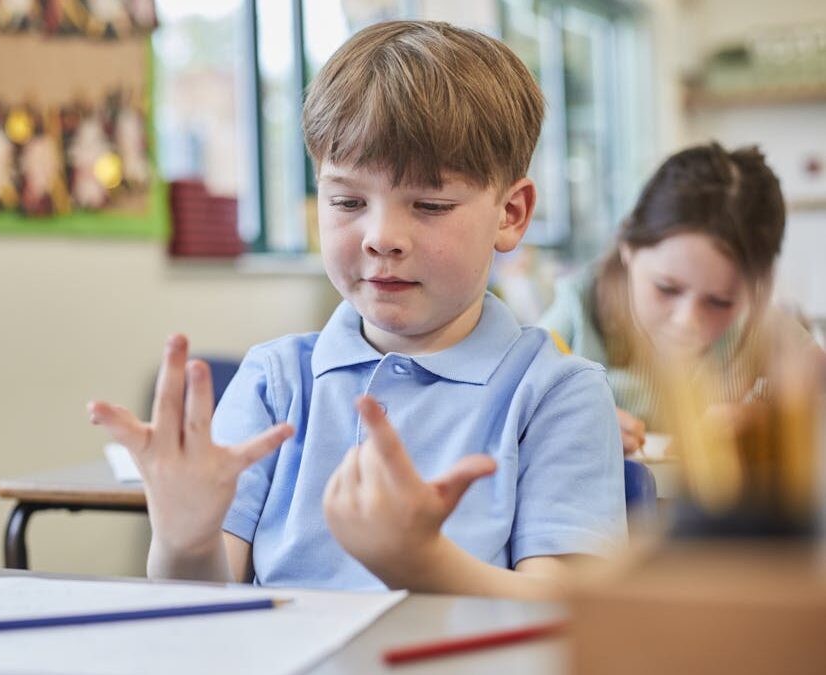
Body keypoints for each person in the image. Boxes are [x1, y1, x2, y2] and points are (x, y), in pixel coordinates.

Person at [90, 20, 626, 599]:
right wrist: (184, 541)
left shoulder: (556, 392)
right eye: (347, 200)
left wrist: (420, 564)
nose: (381, 237)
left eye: (429, 204)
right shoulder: (276, 381)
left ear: (511, 214)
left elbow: (570, 613)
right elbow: (199, 602)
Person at [538, 143, 796, 453]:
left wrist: (768, 419)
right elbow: (508, 410)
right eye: (666, 289)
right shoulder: (578, 311)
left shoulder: (759, 326)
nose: (686, 321)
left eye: (719, 301)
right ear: (628, 248)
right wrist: (566, 420)